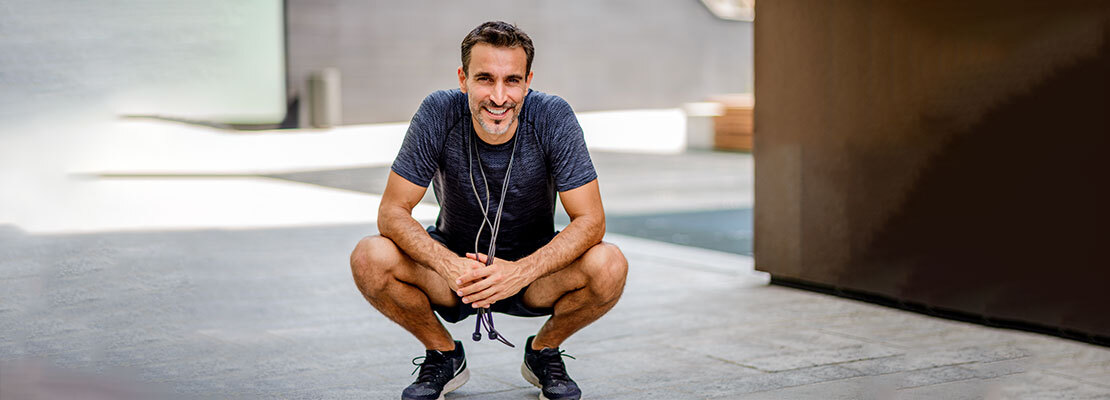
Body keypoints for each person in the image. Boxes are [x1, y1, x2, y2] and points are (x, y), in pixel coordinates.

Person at [349, 21, 628, 400]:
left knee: (609, 264)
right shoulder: (439, 112)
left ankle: (544, 350)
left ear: (528, 82)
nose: (499, 96)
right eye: (485, 79)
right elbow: (393, 211)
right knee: (369, 256)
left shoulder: (552, 116)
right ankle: (443, 354)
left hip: (535, 273)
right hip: (455, 273)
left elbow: (591, 220)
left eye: (512, 80)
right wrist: (449, 265)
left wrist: (520, 272)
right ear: (463, 79)